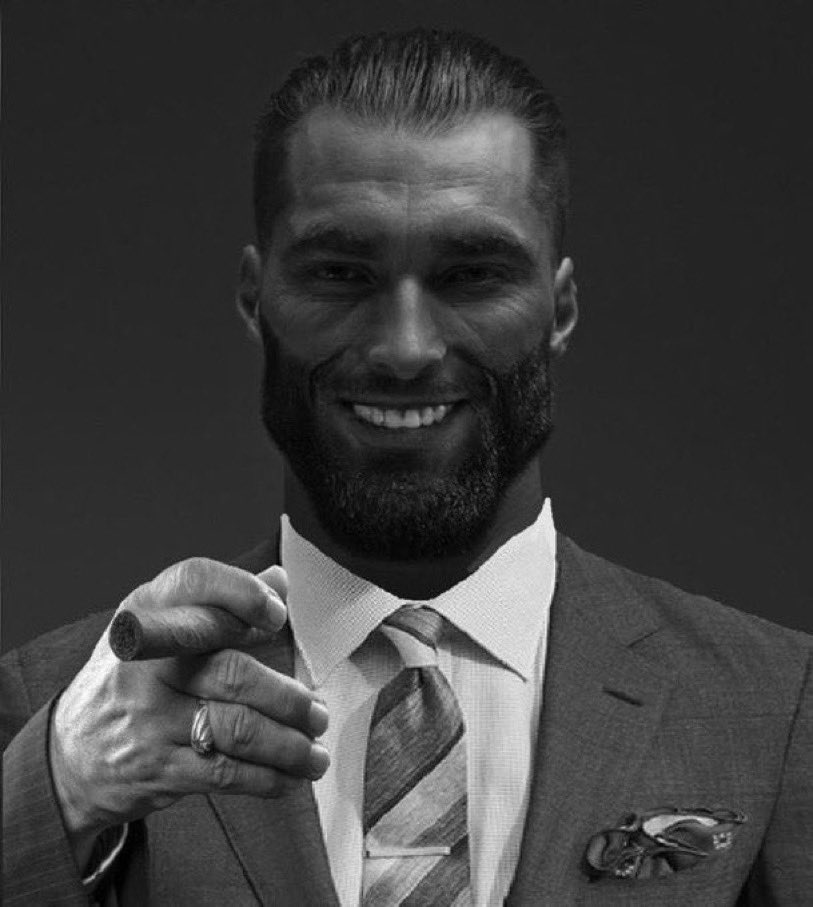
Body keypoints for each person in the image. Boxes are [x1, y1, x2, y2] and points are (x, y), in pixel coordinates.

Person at [2, 28, 811, 907]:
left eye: (472, 274)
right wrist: (59, 790)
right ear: (255, 299)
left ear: (559, 308)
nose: (405, 349)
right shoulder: (56, 708)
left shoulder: (773, 706)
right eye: (340, 272)